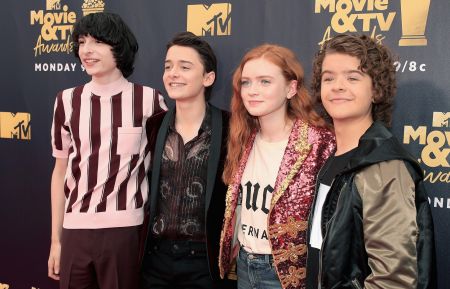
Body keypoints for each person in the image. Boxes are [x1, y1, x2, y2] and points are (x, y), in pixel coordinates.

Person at [306, 34, 436, 289]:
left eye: (353, 77)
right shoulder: (332, 159)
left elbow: (393, 280)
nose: (337, 86)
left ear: (376, 90)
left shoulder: (383, 166)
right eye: (329, 77)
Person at [48, 12, 166, 289]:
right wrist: (57, 239)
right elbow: (60, 172)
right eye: (81, 42)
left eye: (98, 42)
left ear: (119, 47)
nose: (86, 50)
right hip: (75, 230)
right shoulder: (66, 101)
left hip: (125, 231)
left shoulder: (149, 100)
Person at [218, 44, 335, 289]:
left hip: (287, 274)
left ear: (291, 88)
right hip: (243, 266)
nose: (252, 91)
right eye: (246, 82)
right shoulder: (242, 137)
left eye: (265, 81)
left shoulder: (318, 143)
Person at [140, 32, 236, 289]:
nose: (173, 73)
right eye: (168, 66)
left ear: (208, 77)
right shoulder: (154, 124)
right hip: (155, 259)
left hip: (204, 262)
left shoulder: (230, 127)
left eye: (185, 67)